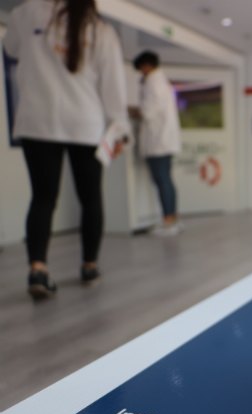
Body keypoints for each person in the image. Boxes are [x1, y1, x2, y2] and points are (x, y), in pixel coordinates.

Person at [3, 0, 129, 300]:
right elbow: (113, 86)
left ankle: (38, 269)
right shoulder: (100, 30)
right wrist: (119, 130)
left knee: (43, 198)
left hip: (37, 122)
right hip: (86, 125)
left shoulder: (26, 12)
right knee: (91, 198)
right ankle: (89, 265)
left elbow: (10, 49)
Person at [131, 50, 182, 237]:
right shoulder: (161, 82)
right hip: (163, 140)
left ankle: (168, 220)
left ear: (146, 66)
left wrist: (128, 110)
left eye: (141, 69)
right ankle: (172, 218)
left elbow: (148, 112)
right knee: (166, 180)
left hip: (158, 140)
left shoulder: (153, 83)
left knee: (162, 180)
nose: (141, 73)